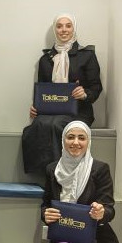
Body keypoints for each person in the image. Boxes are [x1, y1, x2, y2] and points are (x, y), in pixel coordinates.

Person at [22, 13, 102, 174]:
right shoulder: (46, 59)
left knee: (57, 125)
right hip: (50, 112)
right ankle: (45, 174)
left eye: (68, 25)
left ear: (74, 28)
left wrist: (85, 93)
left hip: (79, 112)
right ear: (55, 29)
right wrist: (36, 107)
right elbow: (42, 90)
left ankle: (62, 174)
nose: (63, 30)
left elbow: (96, 87)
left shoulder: (87, 55)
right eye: (59, 26)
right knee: (37, 125)